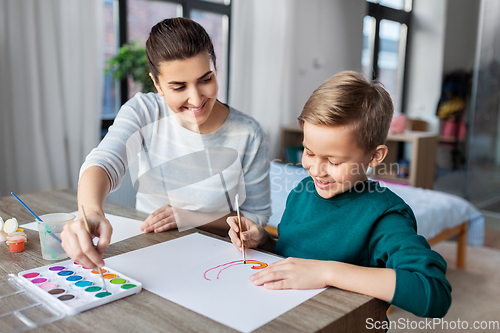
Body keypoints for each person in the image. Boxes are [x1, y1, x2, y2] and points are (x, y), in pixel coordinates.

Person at [227, 71, 452, 318]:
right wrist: (264, 243)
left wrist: (327, 273)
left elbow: (433, 292)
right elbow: (295, 257)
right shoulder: (301, 193)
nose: (316, 170)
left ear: (375, 157)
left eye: (333, 161)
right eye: (309, 152)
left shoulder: (385, 216)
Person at [62, 17, 271, 269]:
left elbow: (256, 218)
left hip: (215, 256)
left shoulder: (248, 133)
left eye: (206, 79)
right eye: (178, 86)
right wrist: (91, 212)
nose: (195, 99)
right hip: (150, 247)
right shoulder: (144, 111)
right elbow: (104, 161)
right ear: (157, 84)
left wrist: (190, 217)